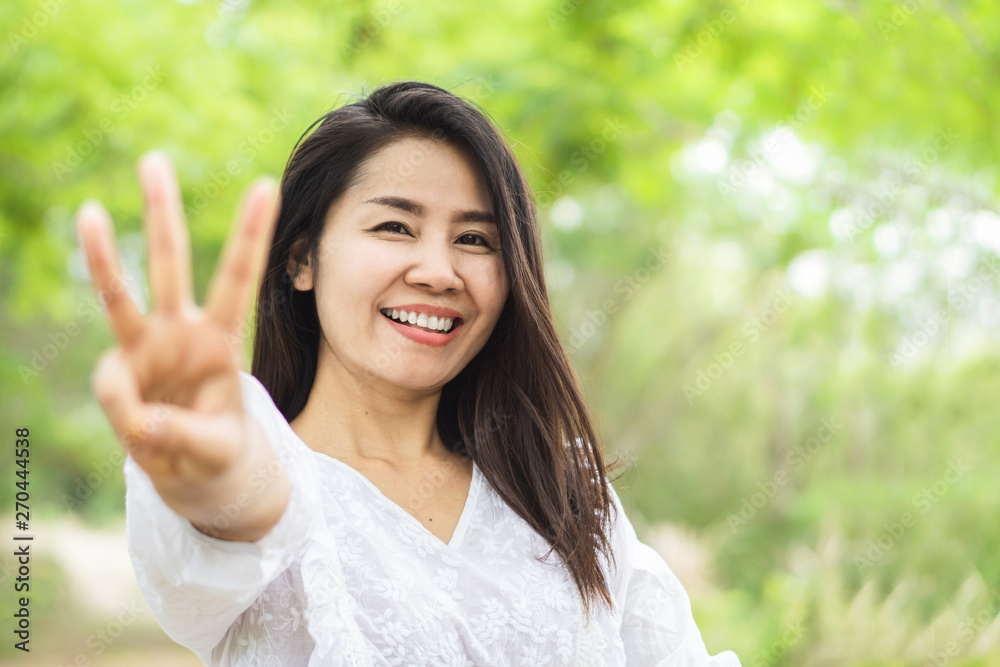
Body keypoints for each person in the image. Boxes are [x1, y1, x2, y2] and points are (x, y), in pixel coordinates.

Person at [76, 80, 742, 666]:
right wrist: (214, 476)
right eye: (395, 226)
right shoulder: (272, 478)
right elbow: (235, 517)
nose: (438, 270)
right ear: (302, 259)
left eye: (475, 239)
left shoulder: (564, 495)